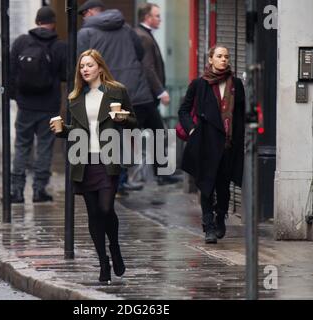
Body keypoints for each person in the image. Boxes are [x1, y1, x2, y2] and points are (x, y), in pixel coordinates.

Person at [51, 49, 137, 283]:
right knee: (93, 213)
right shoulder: (75, 97)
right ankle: (103, 263)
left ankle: (115, 247)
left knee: (106, 209)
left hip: (108, 158)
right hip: (84, 161)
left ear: (100, 67)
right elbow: (76, 131)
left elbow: (134, 120)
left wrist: (123, 119)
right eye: (82, 66)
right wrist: (62, 131)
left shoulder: (116, 91)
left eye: (89, 65)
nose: (85, 69)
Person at [77, 0, 151, 195]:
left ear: (91, 12)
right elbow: (140, 52)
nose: (84, 18)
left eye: (84, 14)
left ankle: (110, 182)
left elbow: (80, 64)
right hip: (130, 88)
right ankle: (121, 180)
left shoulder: (86, 33)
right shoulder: (125, 28)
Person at [178, 45, 245, 244]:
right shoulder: (200, 84)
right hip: (206, 143)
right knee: (206, 185)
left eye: (226, 56)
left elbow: (241, 113)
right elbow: (184, 110)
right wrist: (192, 130)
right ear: (210, 59)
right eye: (219, 56)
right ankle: (208, 225)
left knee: (224, 186)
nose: (223, 59)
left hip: (228, 143)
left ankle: (220, 217)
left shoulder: (236, 84)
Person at [9, 6, 66, 204]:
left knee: (21, 146)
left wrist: (15, 96)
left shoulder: (21, 42)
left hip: (25, 105)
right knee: (45, 147)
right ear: (53, 23)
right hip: (49, 106)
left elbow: (11, 71)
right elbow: (66, 75)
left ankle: (16, 190)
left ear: (36, 21)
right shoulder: (59, 46)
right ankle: (39, 190)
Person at [135, 3, 180, 186]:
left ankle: (161, 173)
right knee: (155, 132)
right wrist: (161, 91)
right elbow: (148, 68)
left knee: (155, 132)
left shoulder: (143, 35)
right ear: (147, 17)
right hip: (144, 97)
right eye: (157, 16)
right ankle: (160, 173)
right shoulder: (143, 37)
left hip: (143, 96)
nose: (160, 19)